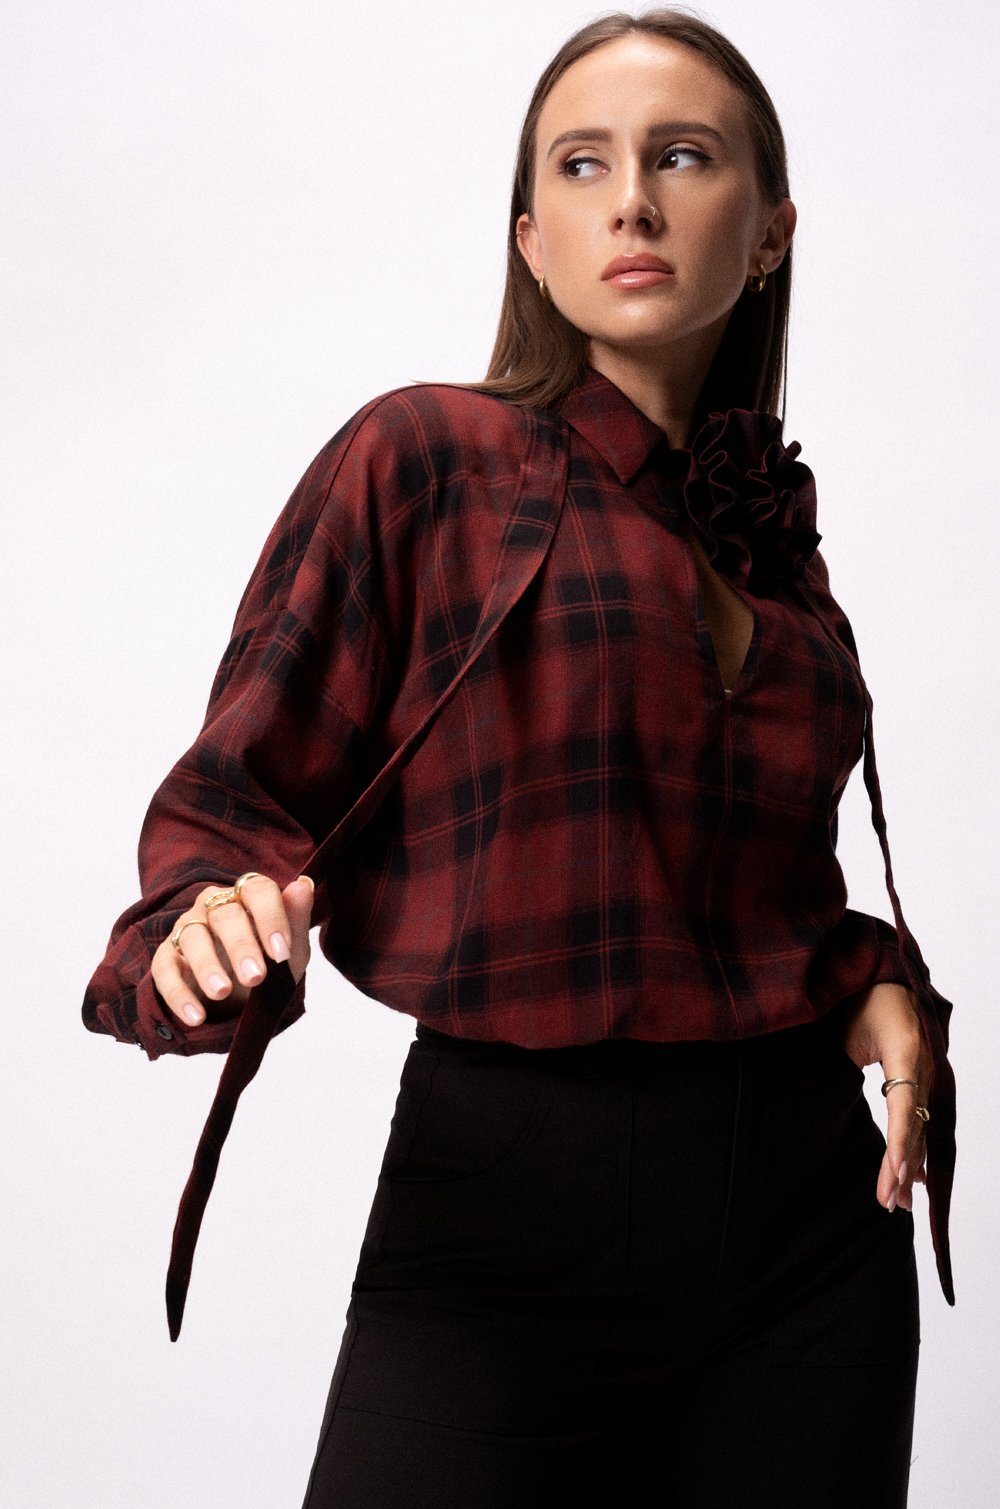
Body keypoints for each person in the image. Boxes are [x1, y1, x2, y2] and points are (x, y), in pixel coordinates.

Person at [83, 9, 957, 1506]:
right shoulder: (429, 460)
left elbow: (752, 881)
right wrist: (201, 926)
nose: (633, 201)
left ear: (769, 232)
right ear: (532, 241)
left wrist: (873, 978)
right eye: (583, 164)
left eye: (684, 157)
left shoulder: (771, 541)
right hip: (507, 1209)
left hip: (814, 1234)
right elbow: (233, 801)